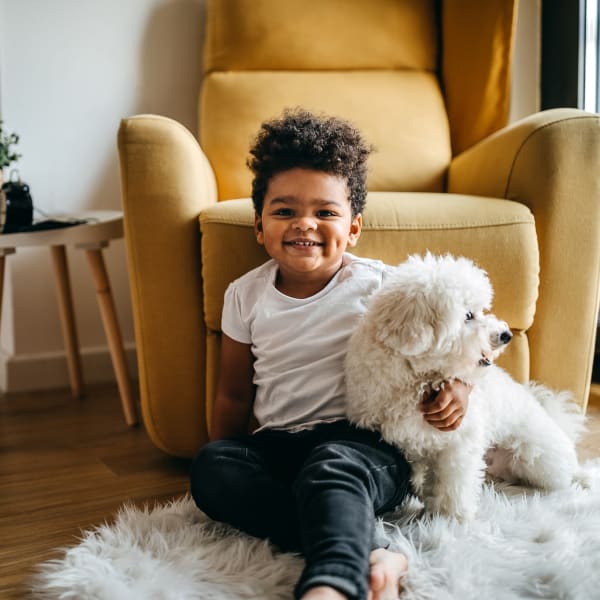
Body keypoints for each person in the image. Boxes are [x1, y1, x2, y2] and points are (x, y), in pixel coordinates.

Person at [190, 109, 470, 600]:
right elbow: (234, 395)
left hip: (363, 447)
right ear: (259, 225)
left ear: (354, 227)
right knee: (211, 470)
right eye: (284, 211)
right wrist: (233, 458)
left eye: (325, 212)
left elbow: (463, 343)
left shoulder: (382, 286)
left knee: (331, 468)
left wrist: (460, 388)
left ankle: (333, 583)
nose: (304, 224)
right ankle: (376, 548)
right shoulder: (245, 295)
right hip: (279, 447)